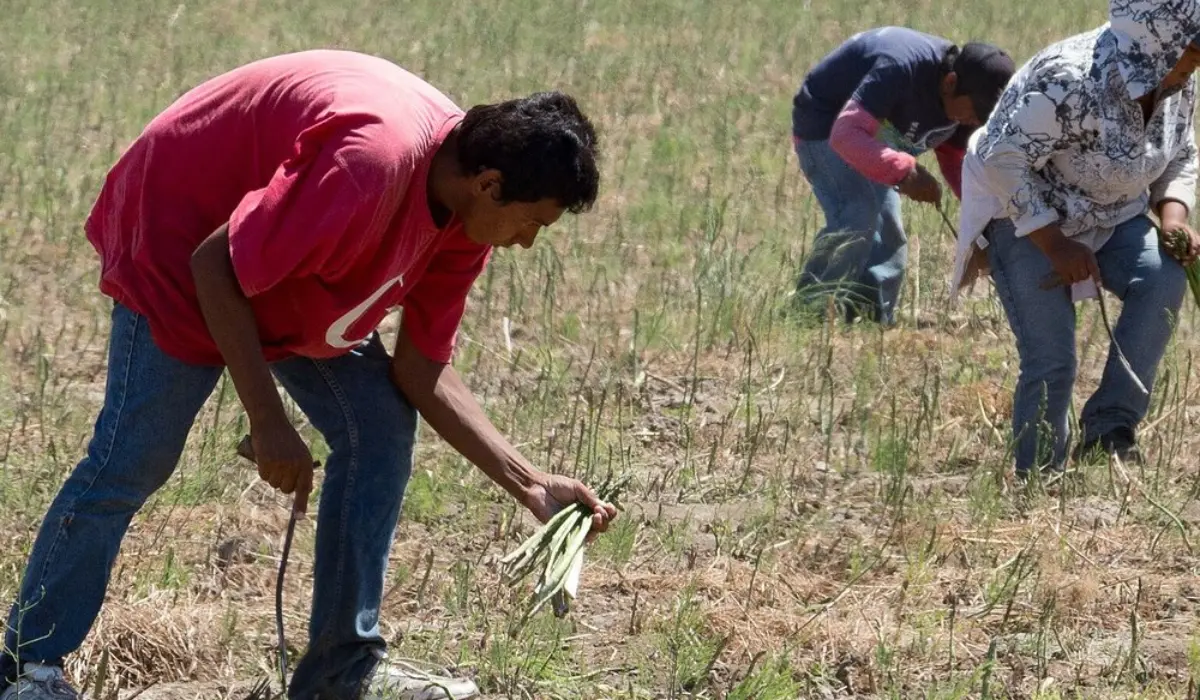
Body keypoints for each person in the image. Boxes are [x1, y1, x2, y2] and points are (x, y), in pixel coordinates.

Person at [0, 49, 618, 700]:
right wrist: (268, 421)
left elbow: (420, 369)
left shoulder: (462, 219)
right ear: (490, 183)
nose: (526, 242)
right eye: (534, 223)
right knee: (134, 459)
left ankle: (340, 676)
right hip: (182, 240)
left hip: (284, 255)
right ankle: (27, 667)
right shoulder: (369, 168)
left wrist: (530, 484)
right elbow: (217, 267)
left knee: (378, 429)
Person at [950, 0, 1200, 478]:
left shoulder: (1176, 81)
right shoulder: (1070, 78)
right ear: (1158, 41)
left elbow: (1180, 154)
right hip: (1024, 216)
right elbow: (1001, 159)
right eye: (1192, 51)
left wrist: (1172, 217)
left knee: (1164, 279)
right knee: (1053, 356)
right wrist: (1054, 244)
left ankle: (1110, 429)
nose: (1195, 64)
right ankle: (1038, 477)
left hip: (1113, 212)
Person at [790, 26, 1015, 325]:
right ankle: (809, 315)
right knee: (858, 214)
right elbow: (845, 136)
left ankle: (869, 320)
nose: (975, 122)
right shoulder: (900, 67)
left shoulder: (967, 99)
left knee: (889, 231)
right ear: (950, 83)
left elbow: (954, 158)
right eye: (976, 113)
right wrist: (903, 170)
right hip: (826, 126)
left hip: (874, 138)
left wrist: (984, 217)